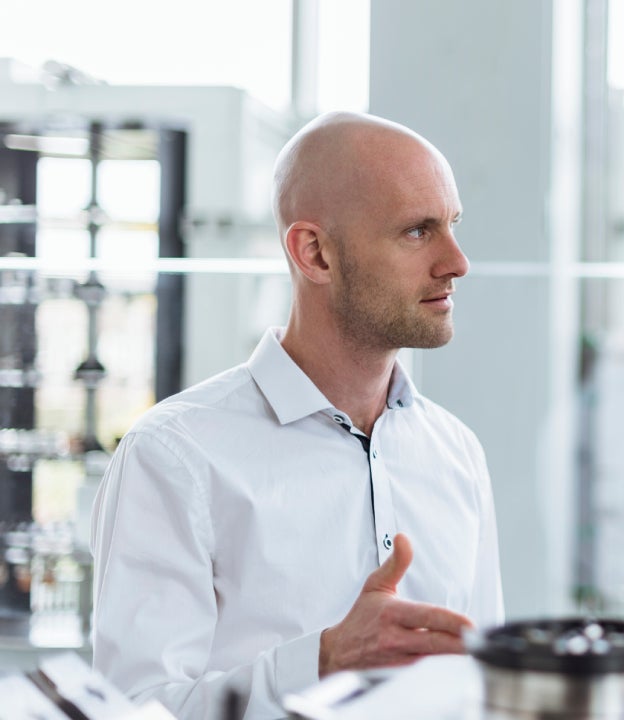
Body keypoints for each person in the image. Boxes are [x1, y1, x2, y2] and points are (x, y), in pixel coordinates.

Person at [90, 112, 504, 719]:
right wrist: (323, 662)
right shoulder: (173, 456)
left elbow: (481, 689)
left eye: (452, 225)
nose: (457, 261)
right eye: (418, 231)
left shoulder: (457, 451)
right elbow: (131, 711)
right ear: (314, 253)